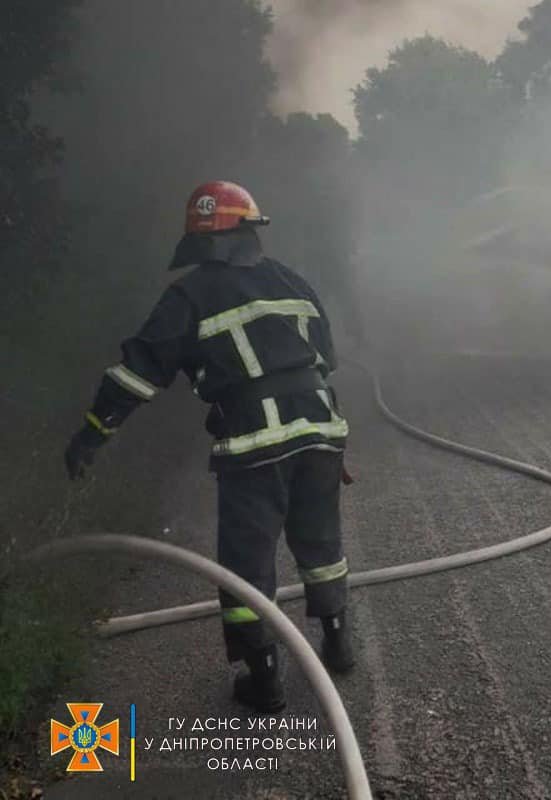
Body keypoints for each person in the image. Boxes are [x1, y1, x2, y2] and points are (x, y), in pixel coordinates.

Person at [64, 180, 355, 713]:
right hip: (321, 429)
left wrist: (91, 434)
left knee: (246, 563)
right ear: (250, 231)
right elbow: (325, 360)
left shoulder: (190, 295)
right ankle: (338, 644)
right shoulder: (293, 280)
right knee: (320, 542)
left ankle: (264, 681)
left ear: (201, 242)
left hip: (255, 439)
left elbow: (137, 374)